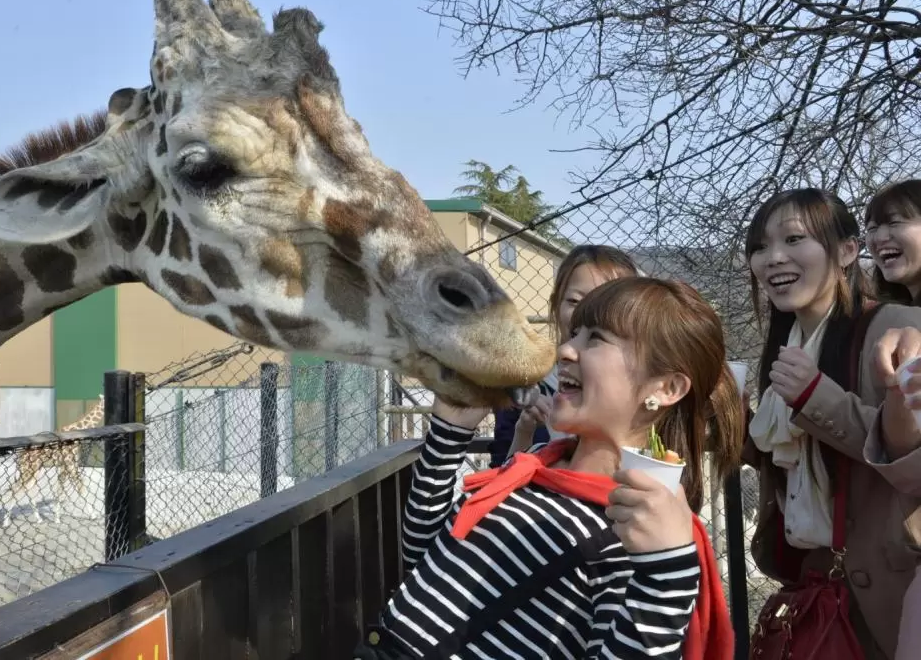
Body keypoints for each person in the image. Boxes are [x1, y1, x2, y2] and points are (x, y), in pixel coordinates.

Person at [355, 276, 740, 659]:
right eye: (574, 334)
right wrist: (448, 432)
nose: (565, 350)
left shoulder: (635, 528)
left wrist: (664, 576)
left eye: (596, 339)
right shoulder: (537, 467)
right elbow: (423, 561)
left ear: (666, 388)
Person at [743, 187, 921, 658]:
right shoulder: (787, 343)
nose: (773, 258)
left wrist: (815, 397)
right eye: (760, 246)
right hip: (814, 579)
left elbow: (912, 459)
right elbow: (793, 464)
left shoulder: (898, 327)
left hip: (891, 584)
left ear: (846, 250)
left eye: (794, 239)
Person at [487, 245, 639, 467]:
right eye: (575, 301)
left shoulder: (646, 385)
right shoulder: (522, 383)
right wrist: (525, 429)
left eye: (607, 303)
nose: (589, 314)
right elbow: (500, 470)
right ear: (556, 305)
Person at [862, 179, 921, 660]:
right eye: (872, 226)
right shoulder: (893, 321)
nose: (880, 236)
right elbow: (903, 452)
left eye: (896, 221)